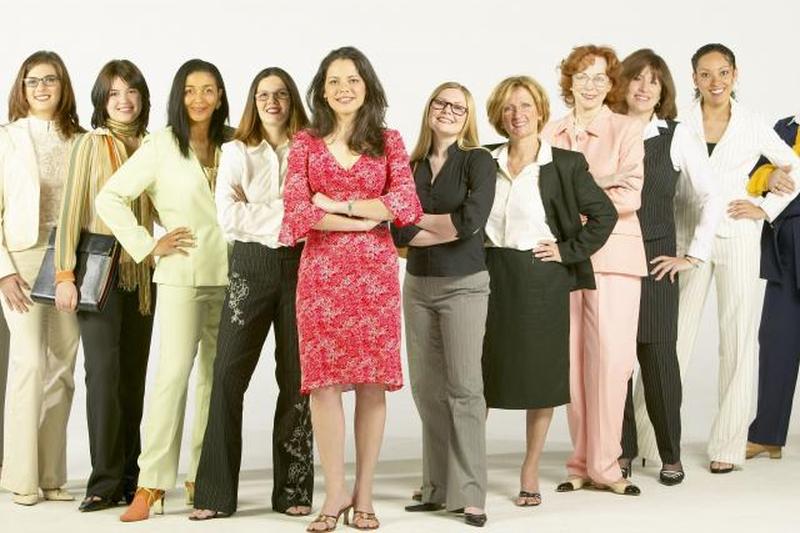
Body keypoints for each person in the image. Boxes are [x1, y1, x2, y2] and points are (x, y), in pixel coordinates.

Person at [636, 43, 800, 473]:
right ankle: (648, 439)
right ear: (693, 78)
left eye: (723, 73)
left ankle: (728, 447)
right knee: (667, 339)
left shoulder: (753, 123)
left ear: (735, 75)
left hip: (737, 236)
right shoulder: (674, 123)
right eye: (706, 74)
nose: (715, 82)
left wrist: (765, 208)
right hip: (684, 238)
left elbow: (794, 167)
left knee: (737, 342)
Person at [279, 46, 422, 531]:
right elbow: (297, 212)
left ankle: (364, 494)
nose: (344, 88)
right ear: (322, 90)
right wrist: (364, 219)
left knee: (370, 383)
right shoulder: (304, 143)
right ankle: (334, 491)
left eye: (353, 80)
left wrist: (336, 205)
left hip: (374, 279)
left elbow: (405, 203)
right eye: (335, 80)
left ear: (368, 87)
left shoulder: (388, 141)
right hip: (320, 276)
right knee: (323, 386)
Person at [95, 59, 231, 521]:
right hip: (181, 276)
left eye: (208, 89)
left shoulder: (235, 143)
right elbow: (109, 197)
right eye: (190, 90)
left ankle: (203, 477)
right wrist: (149, 245)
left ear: (220, 95)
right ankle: (151, 483)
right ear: (178, 95)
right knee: (171, 378)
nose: (199, 99)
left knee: (215, 381)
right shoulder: (162, 145)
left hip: (232, 275)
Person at [482, 75, 616, 505]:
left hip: (541, 277)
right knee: (476, 373)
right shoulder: (482, 159)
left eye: (525, 105)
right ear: (498, 115)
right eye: (508, 107)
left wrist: (566, 250)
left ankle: (530, 467)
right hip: (487, 273)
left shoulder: (565, 163)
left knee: (541, 375)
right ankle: (467, 466)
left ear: (540, 111)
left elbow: (604, 215)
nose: (517, 114)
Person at [189, 67, 314, 521]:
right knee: (227, 375)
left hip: (302, 266)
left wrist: (260, 209)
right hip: (250, 267)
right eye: (263, 95)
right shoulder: (236, 150)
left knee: (297, 380)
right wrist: (290, 211)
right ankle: (214, 494)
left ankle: (293, 490)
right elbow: (229, 219)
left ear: (292, 100)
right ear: (253, 101)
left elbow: (312, 214)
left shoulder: (311, 149)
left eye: (281, 94)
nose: (272, 102)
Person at [614, 49, 723, 485]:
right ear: (622, 84)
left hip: (655, 261)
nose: (644, 88)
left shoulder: (676, 136)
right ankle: (620, 451)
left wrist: (692, 255)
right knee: (614, 362)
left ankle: (669, 454)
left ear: (663, 92)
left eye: (654, 81)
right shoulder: (605, 130)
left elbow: (711, 196)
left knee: (659, 358)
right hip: (608, 260)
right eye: (637, 78)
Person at [542, 44, 646, 496]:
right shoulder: (551, 131)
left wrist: (579, 195)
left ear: (611, 84)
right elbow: (540, 192)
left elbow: (631, 194)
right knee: (572, 364)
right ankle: (580, 462)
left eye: (599, 77)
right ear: (569, 82)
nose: (590, 85)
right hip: (564, 256)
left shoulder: (627, 128)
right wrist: (599, 186)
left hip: (614, 257)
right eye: (581, 76)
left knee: (611, 361)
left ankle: (607, 464)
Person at [54, 59, 156, 512]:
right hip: (97, 271)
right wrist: (64, 274)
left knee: (133, 377)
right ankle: (103, 481)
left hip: (144, 273)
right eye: (114, 93)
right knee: (102, 376)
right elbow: (71, 210)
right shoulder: (89, 145)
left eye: (131, 91)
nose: (124, 100)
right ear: (101, 100)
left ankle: (132, 477)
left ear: (143, 97)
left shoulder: (154, 145)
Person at [392, 82, 495, 528]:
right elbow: (396, 230)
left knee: (465, 389)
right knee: (427, 389)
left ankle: (470, 494)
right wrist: (440, 226)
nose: (449, 111)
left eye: (459, 107)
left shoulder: (478, 161)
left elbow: (471, 222)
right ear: (429, 108)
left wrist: (421, 223)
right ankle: (435, 488)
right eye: (441, 103)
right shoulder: (409, 165)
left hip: (464, 286)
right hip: (417, 286)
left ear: (468, 117)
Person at [0, 50, 82, 506]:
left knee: (62, 370)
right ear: (22, 88)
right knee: (29, 363)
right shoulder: (6, 138)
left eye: (50, 79)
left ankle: (52, 477)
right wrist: (4, 273)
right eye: (33, 81)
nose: (42, 88)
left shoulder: (81, 140)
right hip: (23, 259)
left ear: (63, 86)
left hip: (69, 261)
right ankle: (20, 477)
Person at [745, 112, 800, 460]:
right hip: (786, 249)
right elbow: (753, 174)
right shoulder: (785, 128)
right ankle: (767, 434)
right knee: (777, 340)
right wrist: (771, 176)